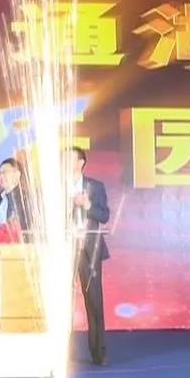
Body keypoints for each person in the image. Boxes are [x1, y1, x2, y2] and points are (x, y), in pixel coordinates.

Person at [71, 146, 110, 366]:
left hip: (89, 250)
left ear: (81, 163)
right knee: (61, 302)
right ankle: (61, 352)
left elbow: (104, 216)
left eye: (68, 159)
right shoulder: (56, 188)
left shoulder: (95, 186)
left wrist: (87, 205)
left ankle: (98, 351)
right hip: (64, 249)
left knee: (94, 300)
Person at [0, 158, 29, 242]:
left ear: (17, 175)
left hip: (17, 248)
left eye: (4, 172)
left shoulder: (25, 199)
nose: (1, 176)